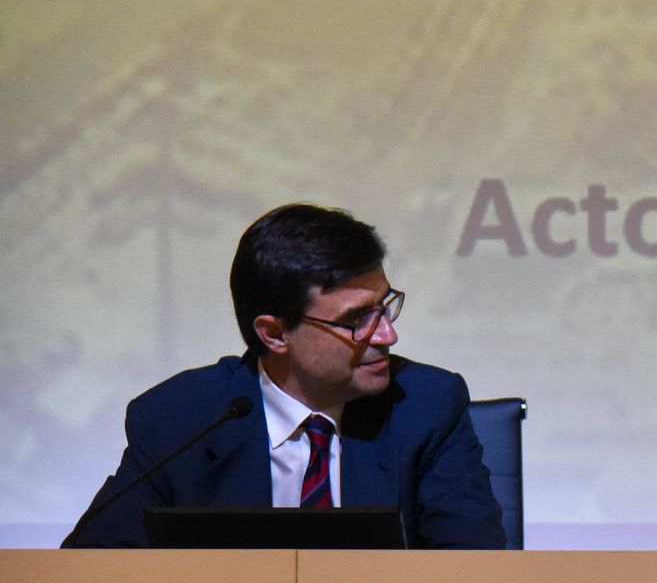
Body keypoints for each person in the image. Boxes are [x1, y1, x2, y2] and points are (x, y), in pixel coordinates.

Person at [64, 203, 505, 549]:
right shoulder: (179, 419)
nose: (388, 334)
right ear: (274, 334)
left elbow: (471, 570)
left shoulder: (427, 405)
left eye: (385, 307)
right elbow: (96, 565)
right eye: (357, 320)